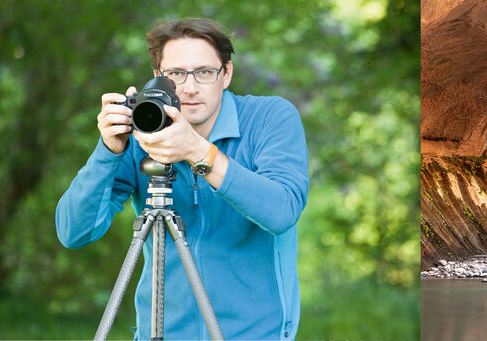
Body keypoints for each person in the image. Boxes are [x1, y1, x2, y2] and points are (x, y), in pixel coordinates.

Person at [55, 18, 308, 340]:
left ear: (226, 74)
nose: (189, 88)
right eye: (175, 74)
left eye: (204, 72)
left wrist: (200, 153)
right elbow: (73, 232)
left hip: (255, 334)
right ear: (158, 77)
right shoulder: (143, 136)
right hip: (160, 333)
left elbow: (282, 212)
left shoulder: (269, 117)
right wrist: (108, 151)